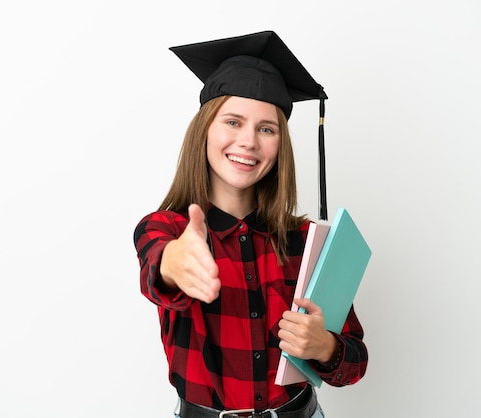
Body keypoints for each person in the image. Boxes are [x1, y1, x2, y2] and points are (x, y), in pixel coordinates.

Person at [133, 30, 368, 418]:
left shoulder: (308, 242)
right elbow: (159, 270)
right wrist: (176, 264)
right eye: (233, 121)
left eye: (266, 128)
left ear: (280, 145)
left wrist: (324, 347)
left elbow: (355, 361)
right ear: (204, 130)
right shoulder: (166, 229)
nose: (248, 141)